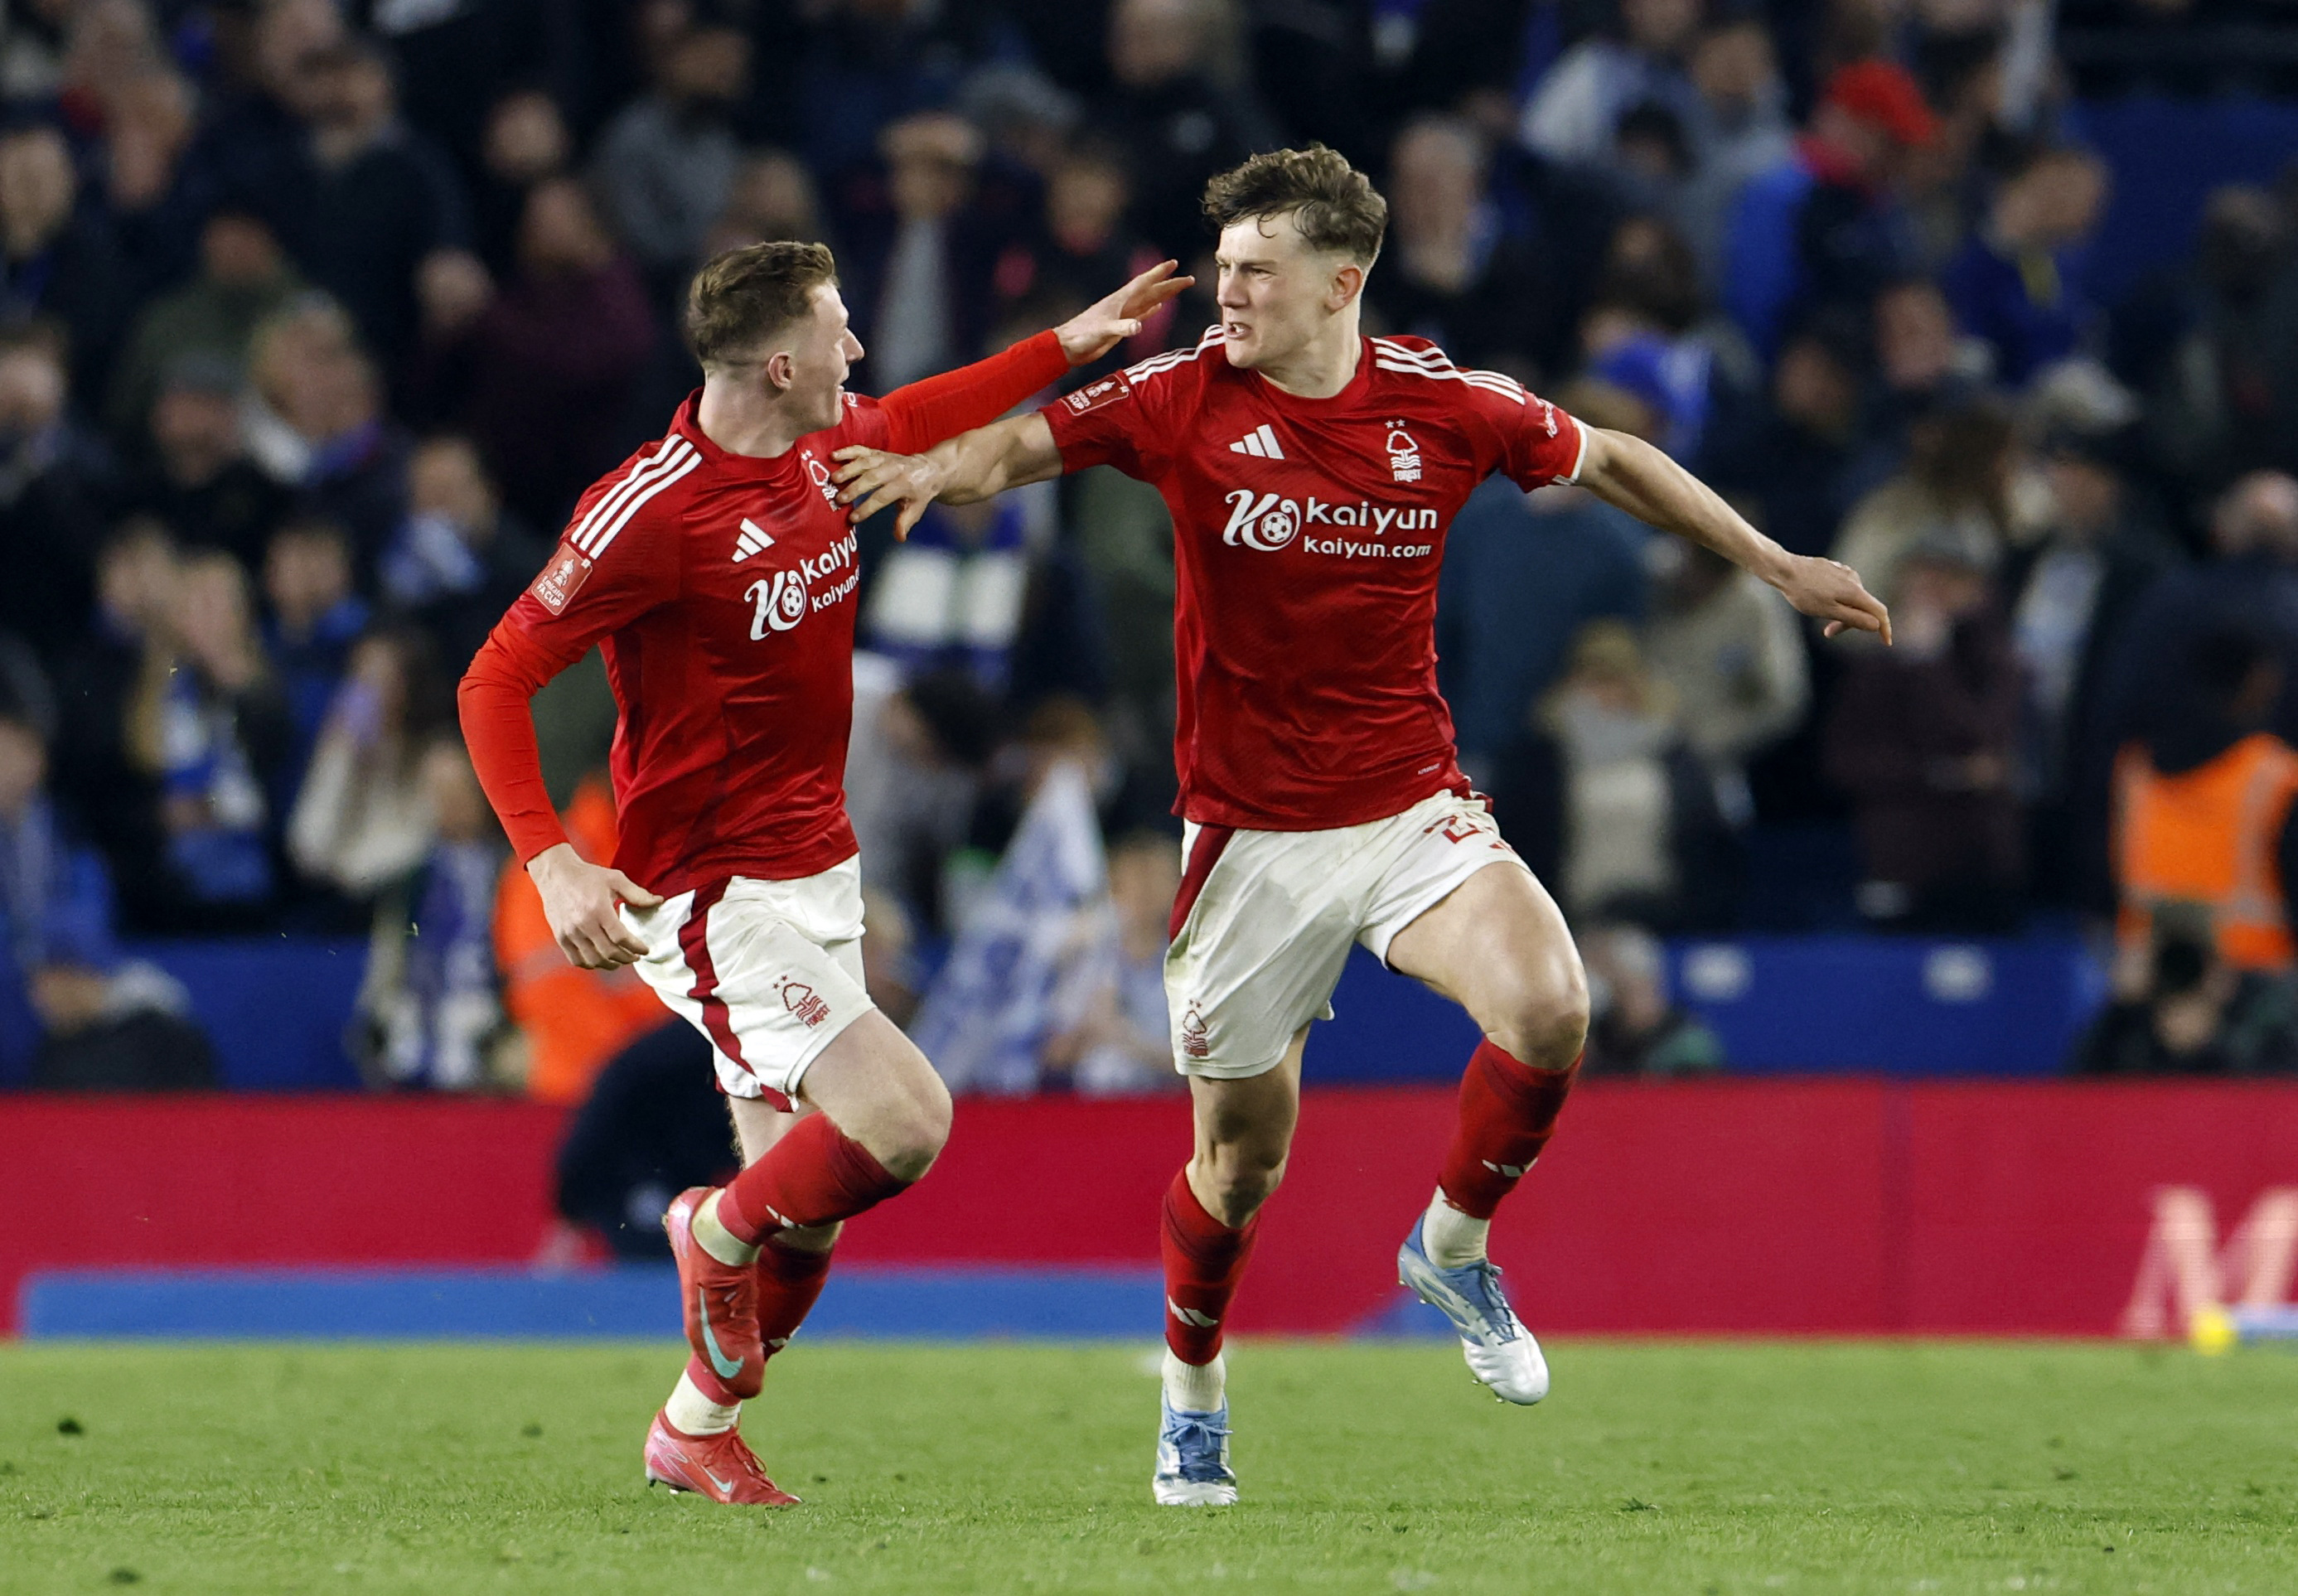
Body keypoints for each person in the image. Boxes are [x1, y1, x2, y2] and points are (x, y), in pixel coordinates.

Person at [830, 144, 1889, 1506]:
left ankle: (1449, 1246)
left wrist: (1775, 562)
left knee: (1550, 1005)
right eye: (1222, 270)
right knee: (1238, 1167)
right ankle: (1192, 1395)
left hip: (1404, 804)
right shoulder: (1179, 396)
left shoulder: (1442, 405)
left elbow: (1614, 457)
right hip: (1248, 841)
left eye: (1256, 274)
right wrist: (933, 464)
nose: (1228, 295)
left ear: (1342, 284)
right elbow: (1019, 447)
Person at [457, 239, 1189, 1506]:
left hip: (819, 873)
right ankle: (708, 1225)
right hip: (712, 892)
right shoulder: (649, 508)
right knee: (905, 1121)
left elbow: (920, 412)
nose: (857, 350)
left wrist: (1065, 346)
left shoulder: (822, 443)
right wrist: (555, 859)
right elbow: (493, 678)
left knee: (811, 1216)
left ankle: (693, 1427)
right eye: (837, 330)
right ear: (781, 364)